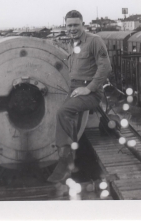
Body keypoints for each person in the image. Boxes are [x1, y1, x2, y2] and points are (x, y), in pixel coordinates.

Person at [47, 10, 112, 183]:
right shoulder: (71, 43)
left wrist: (89, 88)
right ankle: (69, 161)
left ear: (83, 24)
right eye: (69, 25)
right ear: (65, 26)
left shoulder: (94, 41)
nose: (73, 28)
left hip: (90, 91)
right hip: (75, 88)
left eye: (76, 25)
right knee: (68, 123)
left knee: (63, 112)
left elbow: (105, 68)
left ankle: (65, 161)